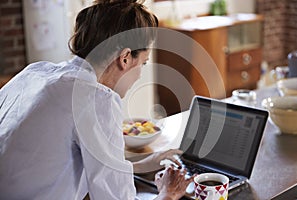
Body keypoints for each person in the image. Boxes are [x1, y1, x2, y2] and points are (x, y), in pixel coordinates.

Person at [0, 0, 194, 199]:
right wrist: (168, 193)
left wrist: (140, 165)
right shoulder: (96, 99)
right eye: (143, 63)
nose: (139, 75)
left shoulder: (34, 72)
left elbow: (46, 163)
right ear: (125, 58)